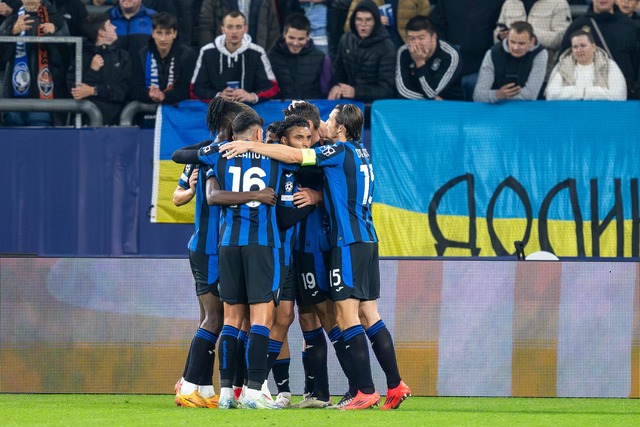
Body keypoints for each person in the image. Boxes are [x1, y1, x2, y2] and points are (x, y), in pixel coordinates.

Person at [219, 104, 411, 411]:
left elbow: (296, 159)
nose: (322, 125)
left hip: (344, 243)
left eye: (329, 120)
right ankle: (394, 384)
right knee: (367, 314)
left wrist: (249, 145)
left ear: (340, 129)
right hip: (367, 238)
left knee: (344, 317)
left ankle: (363, 391)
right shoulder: (361, 152)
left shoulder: (335, 151)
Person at [173, 111, 298, 410]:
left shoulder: (216, 155)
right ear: (258, 135)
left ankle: (227, 391)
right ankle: (254, 391)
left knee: (230, 319)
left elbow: (186, 160)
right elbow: (298, 158)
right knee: (260, 319)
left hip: (228, 244)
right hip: (261, 244)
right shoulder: (278, 159)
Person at [0, 0, 69, 126]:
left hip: (46, 96)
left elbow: (66, 58)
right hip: (14, 95)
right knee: (14, 139)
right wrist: (11, 33)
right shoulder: (11, 21)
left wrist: (55, 36)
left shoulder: (56, 21)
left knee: (40, 139)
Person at [190, 10, 280, 103]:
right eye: (229, 27)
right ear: (223, 29)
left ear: (246, 29)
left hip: (250, 111)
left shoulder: (257, 52)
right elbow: (195, 89)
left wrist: (252, 96)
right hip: (216, 112)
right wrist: (217, 96)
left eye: (238, 27)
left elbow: (272, 87)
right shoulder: (207, 52)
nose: (234, 31)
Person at [560, 0, 639, 99]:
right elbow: (563, 63)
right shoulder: (577, 26)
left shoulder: (630, 26)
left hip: (626, 99)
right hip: (585, 99)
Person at [430, 0, 506, 100]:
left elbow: (501, 26)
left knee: (478, 102)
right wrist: (445, 50)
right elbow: (436, 24)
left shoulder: (499, 3)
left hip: (483, 63)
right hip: (452, 63)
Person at [68, 13, 132, 126]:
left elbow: (124, 91)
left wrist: (94, 91)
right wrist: (92, 71)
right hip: (87, 124)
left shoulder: (123, 56)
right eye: (110, 25)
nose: (115, 27)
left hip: (117, 123)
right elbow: (75, 90)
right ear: (101, 32)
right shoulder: (82, 57)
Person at [328, 0, 396, 102]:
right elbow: (339, 71)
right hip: (348, 102)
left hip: (374, 105)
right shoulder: (346, 39)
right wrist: (336, 85)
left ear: (376, 21)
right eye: (359, 19)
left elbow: (387, 89)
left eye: (368, 20)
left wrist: (356, 92)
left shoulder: (387, 46)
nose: (363, 24)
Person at [131, 12, 197, 106]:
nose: (163, 39)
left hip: (177, 111)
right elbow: (135, 89)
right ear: (152, 33)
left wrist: (165, 96)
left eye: (168, 33)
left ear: (175, 34)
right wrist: (148, 94)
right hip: (147, 108)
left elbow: (187, 90)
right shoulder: (141, 55)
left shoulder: (187, 56)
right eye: (159, 33)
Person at [473, 21, 548, 103]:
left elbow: (530, 95)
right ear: (507, 38)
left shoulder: (540, 54)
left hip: (526, 107)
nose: (515, 47)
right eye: (512, 42)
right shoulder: (492, 53)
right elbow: (478, 95)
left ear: (532, 42)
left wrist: (502, 96)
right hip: (496, 106)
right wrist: (497, 94)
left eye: (521, 43)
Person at [494, 0, 571, 77]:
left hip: (542, 73)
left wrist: (528, 33)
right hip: (508, 70)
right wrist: (500, 36)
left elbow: (561, 39)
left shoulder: (559, 3)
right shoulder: (510, 2)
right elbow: (497, 33)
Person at [395, 15, 463, 100]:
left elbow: (431, 92)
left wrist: (419, 63)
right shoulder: (403, 52)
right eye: (411, 38)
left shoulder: (450, 55)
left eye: (421, 38)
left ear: (434, 37)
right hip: (414, 105)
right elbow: (403, 91)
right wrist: (431, 100)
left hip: (449, 103)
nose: (417, 43)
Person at [545, 29, 626, 100]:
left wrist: (585, 93)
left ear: (594, 47)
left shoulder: (609, 65)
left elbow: (619, 95)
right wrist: (584, 92)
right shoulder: (562, 66)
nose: (579, 50)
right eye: (575, 47)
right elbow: (551, 95)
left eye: (583, 46)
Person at [268, 12, 332, 100]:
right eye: (291, 38)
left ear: (308, 37)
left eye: (301, 39)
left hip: (311, 110)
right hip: (280, 110)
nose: (295, 43)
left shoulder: (320, 58)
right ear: (284, 34)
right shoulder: (271, 56)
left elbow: (326, 90)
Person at [343, 0, 431, 48]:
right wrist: (373, 21)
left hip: (409, 49)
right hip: (374, 51)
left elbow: (427, 25)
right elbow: (348, 26)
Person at [198, 0, 280, 51]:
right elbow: (206, 26)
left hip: (256, 54)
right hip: (223, 54)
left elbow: (273, 29)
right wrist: (212, 53)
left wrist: (266, 55)